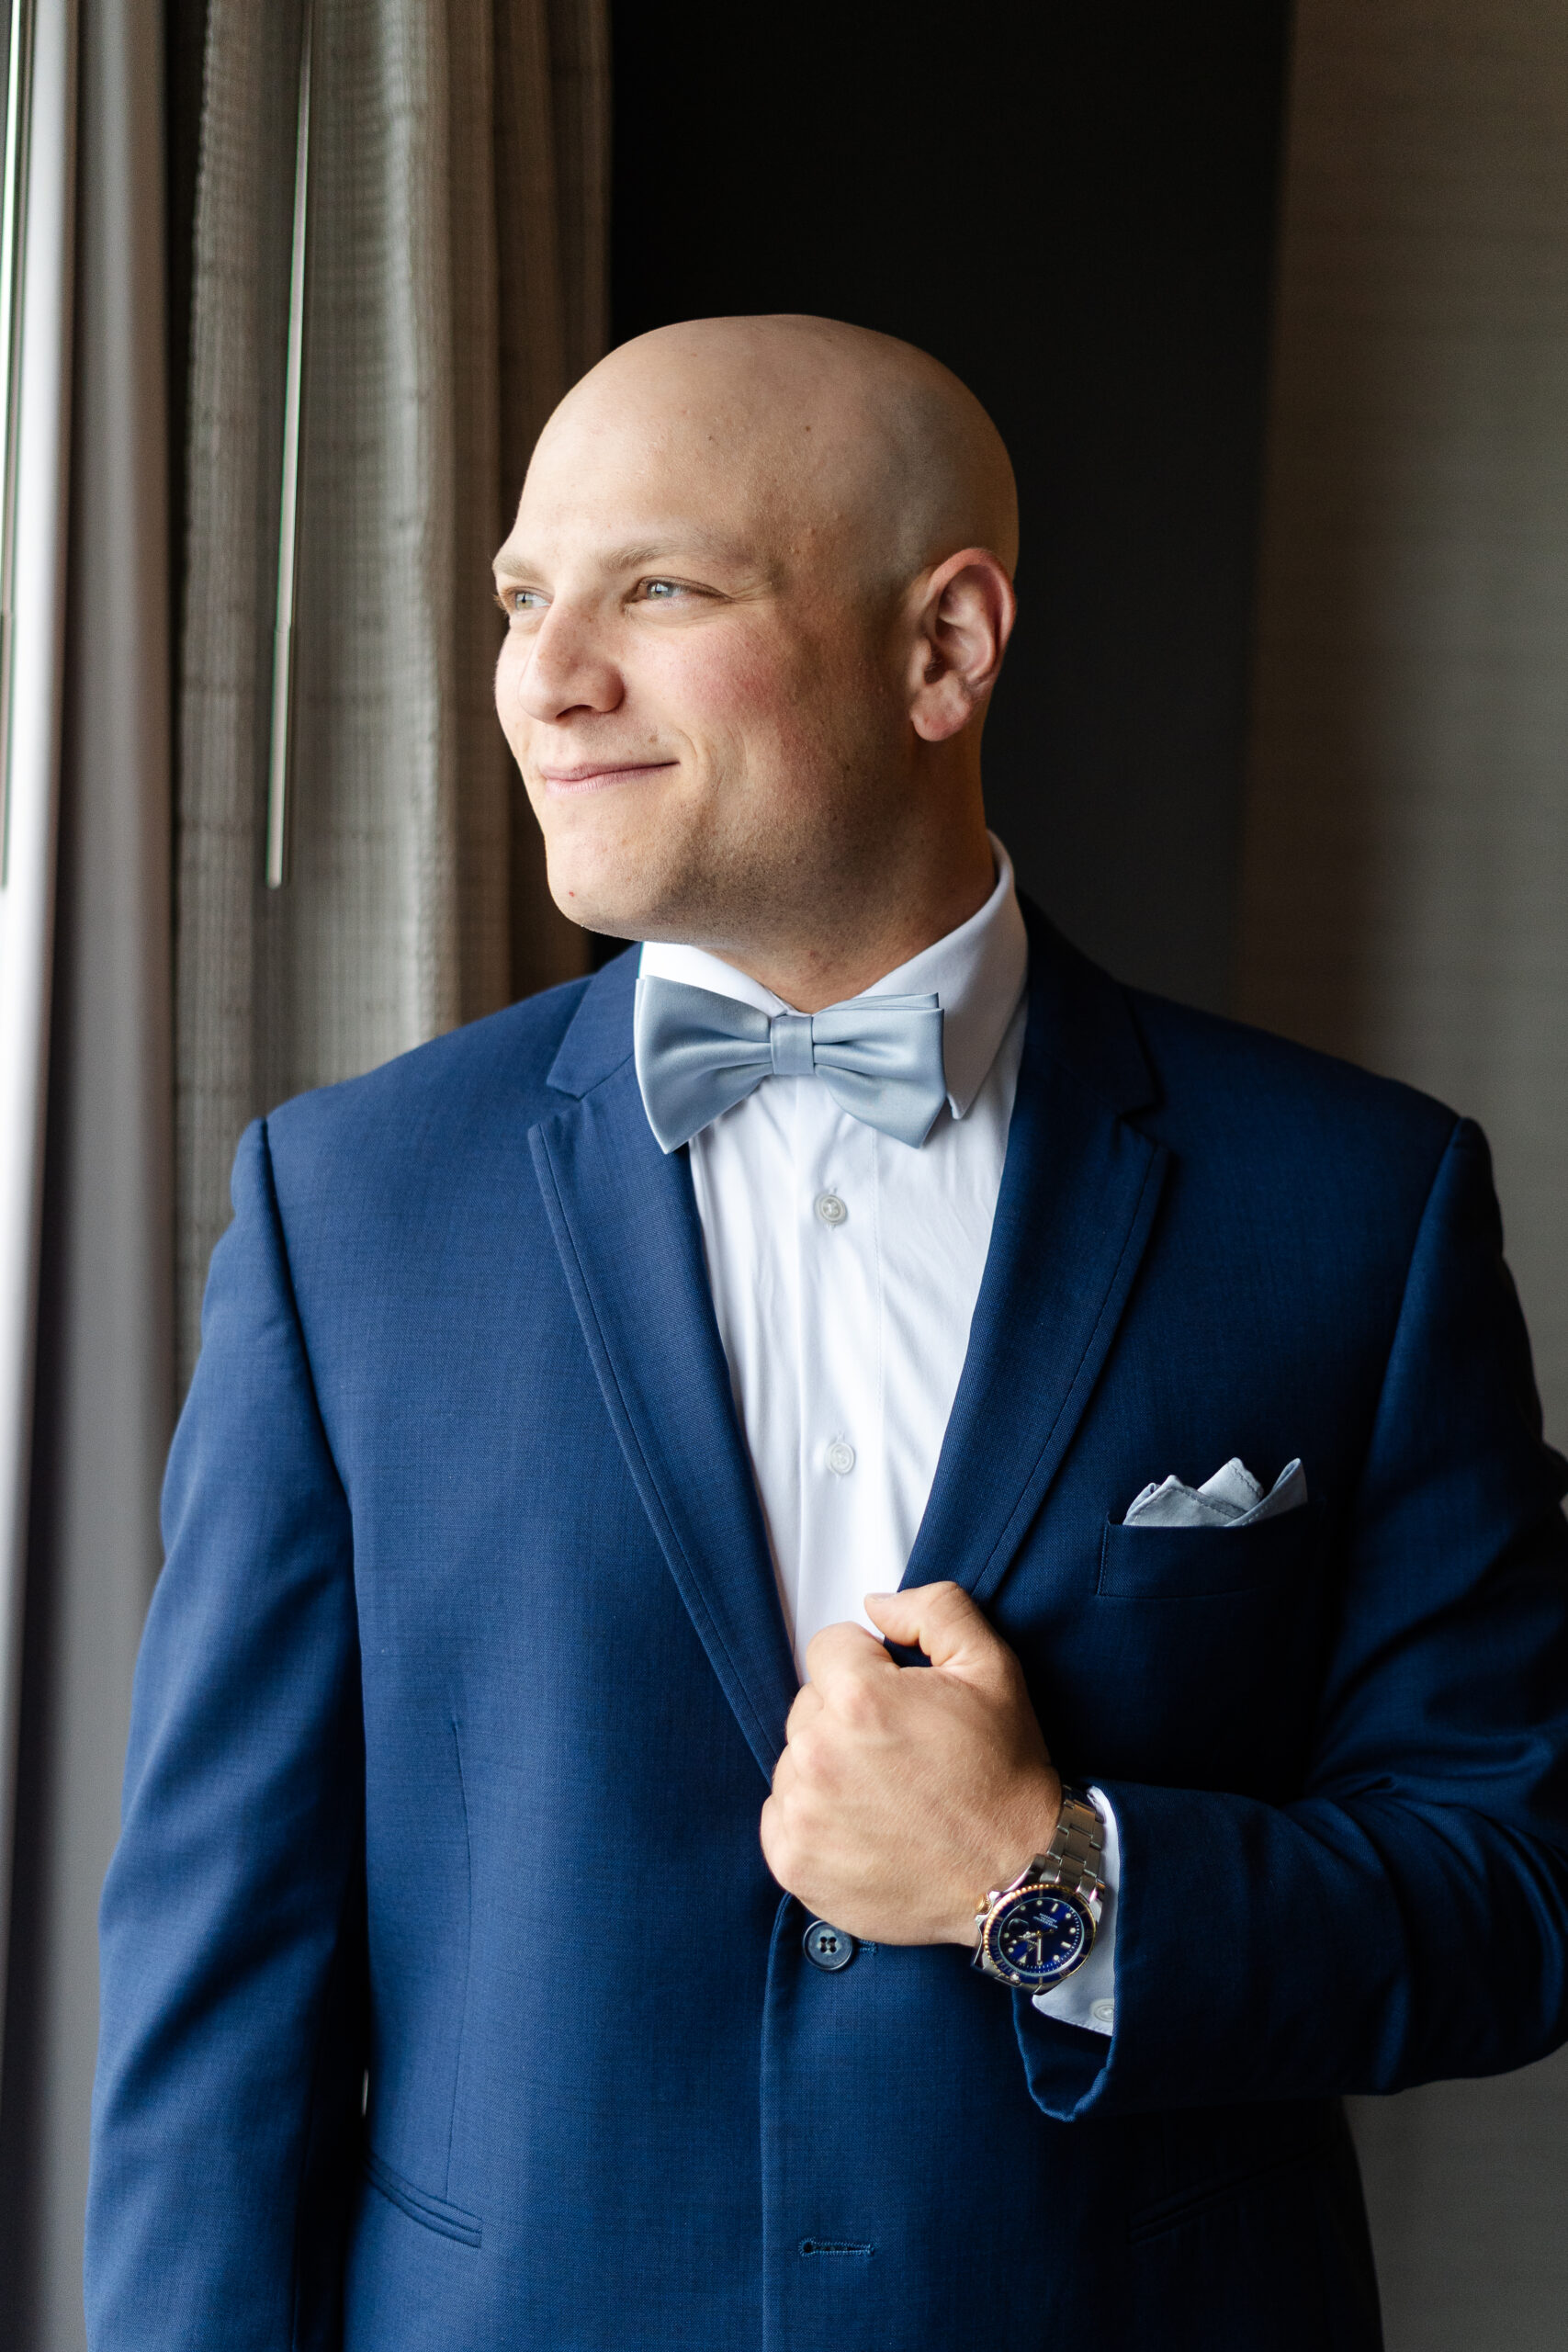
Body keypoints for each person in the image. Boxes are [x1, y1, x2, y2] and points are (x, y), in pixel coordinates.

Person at [86, 315, 1568, 2351]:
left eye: (657, 590)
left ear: (943, 648)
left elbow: (1513, 1889)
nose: (545, 677)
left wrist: (1047, 1882)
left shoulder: (1352, 1206)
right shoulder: (344, 1209)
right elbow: (213, 2000)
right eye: (521, 598)